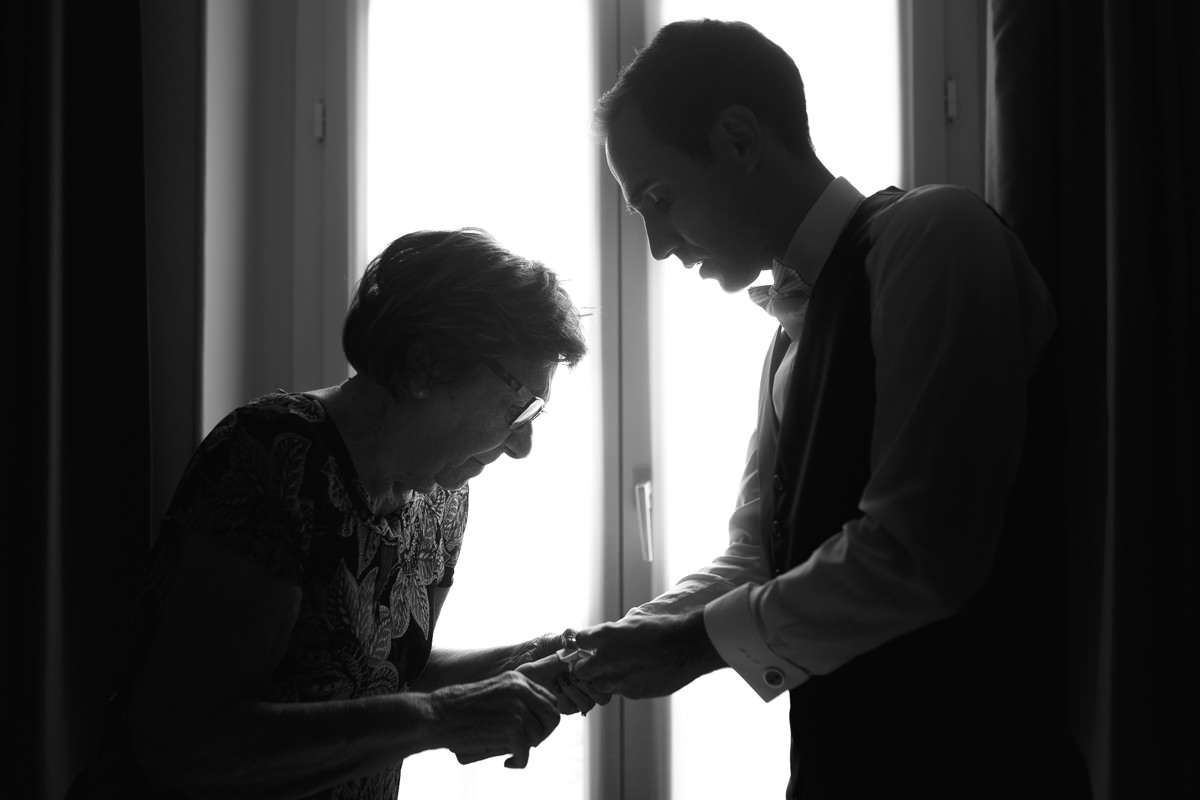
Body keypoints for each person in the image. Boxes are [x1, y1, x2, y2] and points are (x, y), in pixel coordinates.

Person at [569, 19, 1091, 799]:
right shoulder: (788, 333)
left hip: (981, 765)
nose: (657, 245)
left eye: (657, 197)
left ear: (740, 139)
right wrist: (611, 647)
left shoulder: (935, 238)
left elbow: (919, 555)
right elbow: (759, 555)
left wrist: (689, 648)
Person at [65, 228, 597, 799]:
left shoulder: (441, 496)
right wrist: (441, 718)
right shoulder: (278, 456)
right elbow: (185, 742)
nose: (522, 445)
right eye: (519, 405)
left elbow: (380, 677)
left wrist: (519, 662)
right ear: (425, 366)